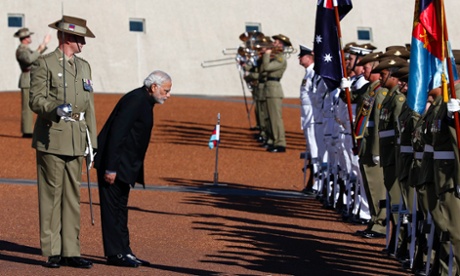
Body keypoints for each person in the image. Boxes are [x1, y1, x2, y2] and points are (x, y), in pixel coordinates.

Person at [29, 15, 97, 269]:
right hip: (53, 136)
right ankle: (53, 250)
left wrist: (93, 143)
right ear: (68, 38)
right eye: (80, 38)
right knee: (52, 196)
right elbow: (35, 99)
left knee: (72, 196)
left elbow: (89, 105)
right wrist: (54, 108)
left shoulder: (85, 67)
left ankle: (71, 250)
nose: (83, 44)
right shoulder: (45, 64)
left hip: (77, 138)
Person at [94, 70, 172, 267]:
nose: (168, 95)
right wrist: (110, 168)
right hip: (114, 165)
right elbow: (117, 134)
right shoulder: (136, 100)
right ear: (154, 87)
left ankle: (124, 250)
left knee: (121, 209)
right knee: (112, 210)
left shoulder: (145, 101)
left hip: (125, 165)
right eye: (166, 90)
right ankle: (115, 254)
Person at [14, 27, 51, 138]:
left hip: (32, 78)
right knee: (27, 106)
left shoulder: (26, 49)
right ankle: (27, 131)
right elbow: (30, 59)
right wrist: (41, 47)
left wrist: (44, 44)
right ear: (24, 38)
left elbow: (36, 56)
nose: (30, 38)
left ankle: (32, 129)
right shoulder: (21, 50)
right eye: (28, 36)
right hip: (26, 79)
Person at [262, 34, 290, 153]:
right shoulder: (276, 57)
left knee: (276, 118)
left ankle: (280, 143)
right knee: (269, 118)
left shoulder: (280, 59)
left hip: (274, 89)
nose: (273, 44)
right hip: (269, 88)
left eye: (276, 42)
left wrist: (267, 54)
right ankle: (273, 140)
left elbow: (266, 67)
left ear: (281, 45)